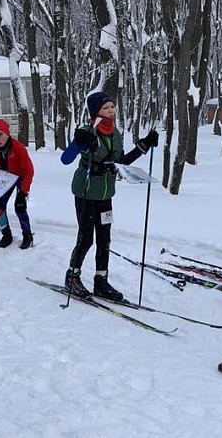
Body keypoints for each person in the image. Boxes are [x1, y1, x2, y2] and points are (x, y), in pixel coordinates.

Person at [60, 91, 159, 301]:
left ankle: (101, 281)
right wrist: (78, 143)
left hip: (106, 193)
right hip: (86, 192)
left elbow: (120, 162)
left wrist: (144, 145)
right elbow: (65, 159)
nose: (111, 111)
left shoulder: (115, 133)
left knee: (104, 239)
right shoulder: (87, 131)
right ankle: (72, 277)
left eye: (112, 106)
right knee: (86, 238)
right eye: (105, 108)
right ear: (95, 111)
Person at [0, 118, 34, 249]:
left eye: (1, 134)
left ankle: (27, 235)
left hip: (21, 176)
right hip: (5, 176)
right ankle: (6, 234)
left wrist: (23, 192)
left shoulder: (18, 147)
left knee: (20, 205)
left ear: (7, 134)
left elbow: (29, 170)